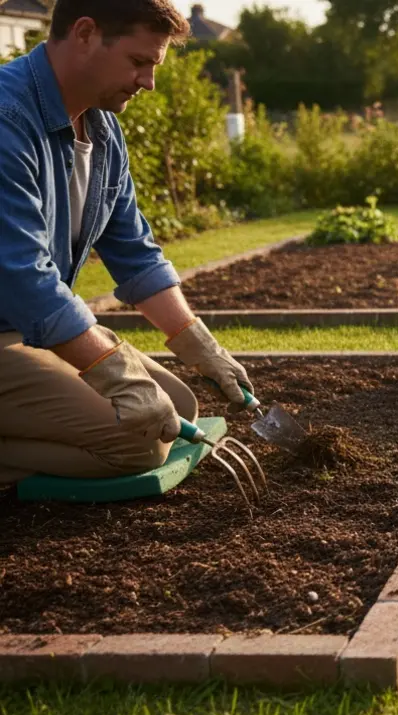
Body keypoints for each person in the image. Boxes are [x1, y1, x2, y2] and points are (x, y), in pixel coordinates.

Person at [0, 0, 254, 485]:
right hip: (11, 323)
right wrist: (114, 374)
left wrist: (200, 346)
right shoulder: (6, 119)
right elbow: (22, 276)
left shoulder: (102, 129)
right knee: (139, 444)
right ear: (85, 34)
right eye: (138, 61)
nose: (148, 82)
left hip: (26, 330)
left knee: (178, 406)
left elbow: (135, 253)